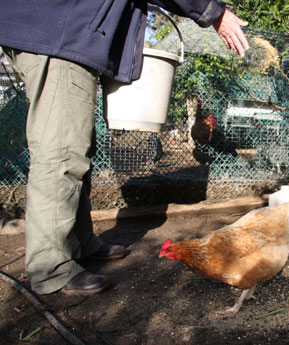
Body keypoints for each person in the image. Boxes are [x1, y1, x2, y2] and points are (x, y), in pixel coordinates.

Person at [0, 1, 249, 296]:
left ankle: (79, 241)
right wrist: (213, 12)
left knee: (79, 145)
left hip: (67, 29)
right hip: (59, 30)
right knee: (62, 152)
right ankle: (51, 266)